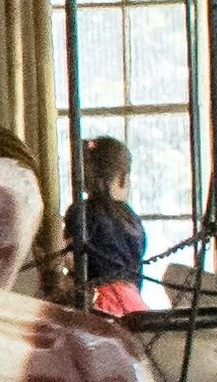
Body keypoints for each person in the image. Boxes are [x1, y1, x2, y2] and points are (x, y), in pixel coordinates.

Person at [65, 134, 156, 317]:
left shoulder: (80, 211)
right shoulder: (130, 217)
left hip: (98, 302)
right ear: (123, 178)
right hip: (132, 300)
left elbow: (69, 257)